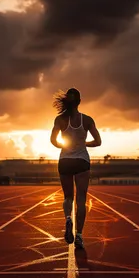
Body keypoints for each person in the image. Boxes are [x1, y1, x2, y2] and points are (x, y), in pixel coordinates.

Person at [50, 88, 102, 249]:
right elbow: (98, 141)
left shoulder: (59, 119)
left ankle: (67, 218)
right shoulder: (86, 120)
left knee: (67, 197)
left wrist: (64, 146)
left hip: (65, 160)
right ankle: (79, 235)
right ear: (79, 102)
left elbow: (53, 140)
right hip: (81, 161)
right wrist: (83, 144)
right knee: (81, 199)